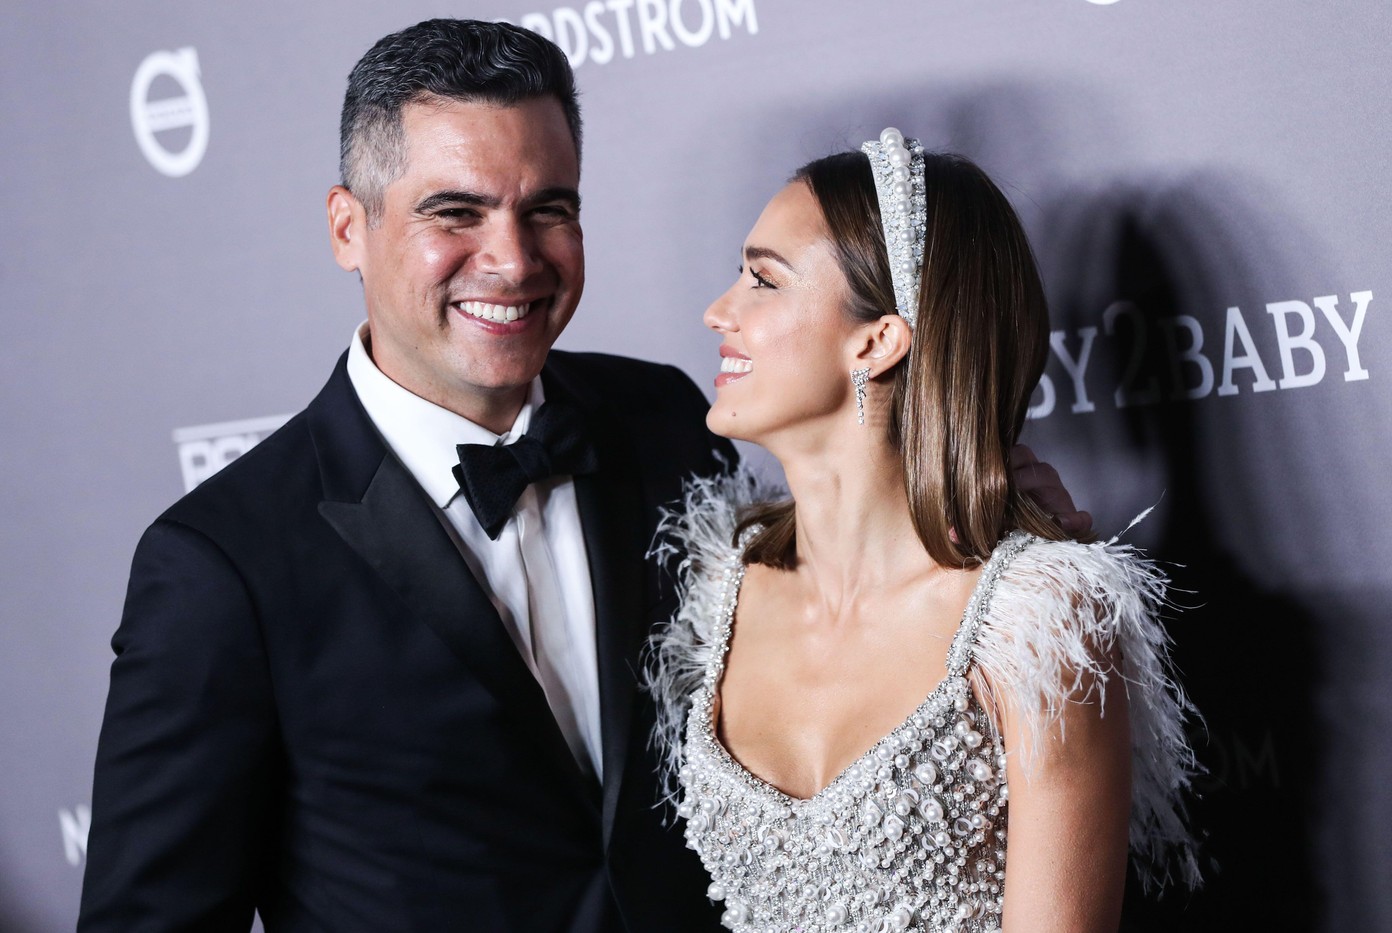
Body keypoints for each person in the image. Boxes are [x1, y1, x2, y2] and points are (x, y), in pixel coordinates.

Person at [78, 20, 1088, 932]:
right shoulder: (222, 568)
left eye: (548, 208)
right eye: (455, 212)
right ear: (349, 227)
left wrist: (976, 505)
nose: (513, 259)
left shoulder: (662, 424)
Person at [647, 133, 1198, 932]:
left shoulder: (1037, 622)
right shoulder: (719, 592)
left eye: (763, 279)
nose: (719, 311)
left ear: (877, 340)